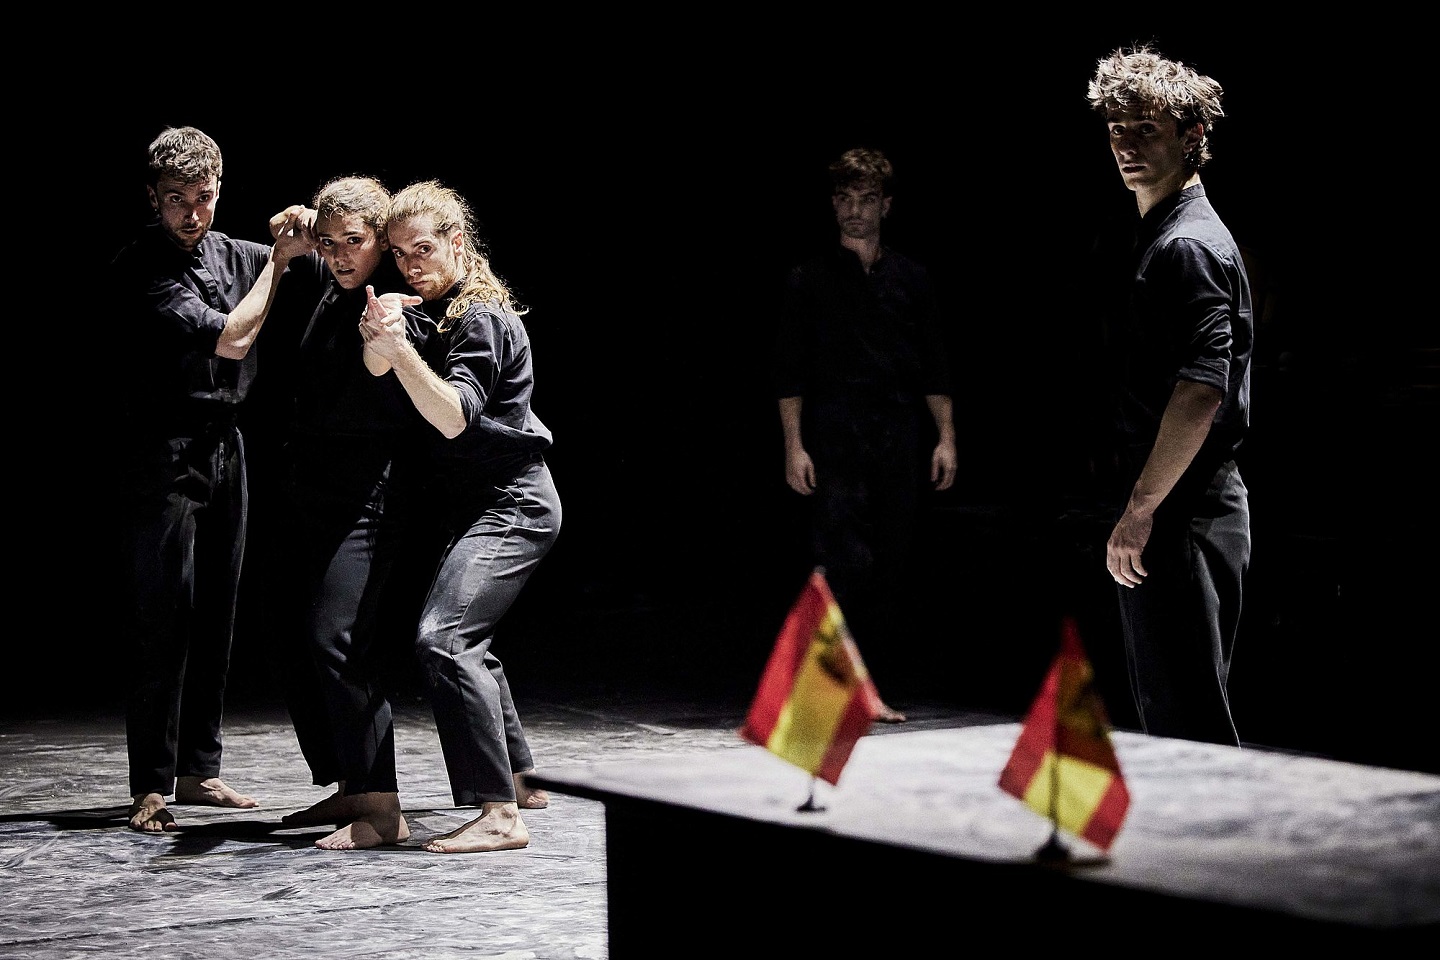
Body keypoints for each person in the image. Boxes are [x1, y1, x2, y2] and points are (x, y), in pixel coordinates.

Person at [110, 125, 311, 832]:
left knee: (219, 611)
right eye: (176, 199)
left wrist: (305, 227)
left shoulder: (235, 253)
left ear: (219, 190)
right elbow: (233, 336)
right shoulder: (141, 266)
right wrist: (278, 263)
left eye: (202, 197)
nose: (191, 213)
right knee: (163, 614)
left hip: (227, 445)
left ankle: (199, 768)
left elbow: (312, 254)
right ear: (152, 198)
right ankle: (151, 783)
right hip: (162, 452)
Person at [359, 179, 560, 853]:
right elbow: (376, 366)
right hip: (484, 504)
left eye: (423, 249)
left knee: (444, 640)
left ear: (457, 241)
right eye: (398, 253)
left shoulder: (482, 319)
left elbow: (451, 417)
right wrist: (382, 329)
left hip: (515, 501)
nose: (410, 264)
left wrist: (396, 349)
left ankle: (500, 814)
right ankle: (521, 779)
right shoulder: (439, 311)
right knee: (467, 640)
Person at [1084, 45, 1253, 746]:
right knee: (1178, 720)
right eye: (1116, 129)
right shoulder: (1163, 236)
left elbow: (1202, 390)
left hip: (1182, 508)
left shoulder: (1186, 246)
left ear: (1192, 136)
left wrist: (1140, 510)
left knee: (1189, 731)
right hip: (1183, 504)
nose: (1126, 145)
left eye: (1146, 129)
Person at [264, 175, 430, 850]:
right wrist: (307, 225)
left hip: (367, 496)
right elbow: (296, 230)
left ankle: (383, 807)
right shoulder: (330, 287)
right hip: (312, 492)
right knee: (293, 635)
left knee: (339, 637)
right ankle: (351, 785)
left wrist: (384, 326)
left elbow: (382, 371)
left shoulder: (390, 301)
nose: (338, 254)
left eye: (353, 242)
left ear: (381, 242)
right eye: (329, 243)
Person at [771, 147, 957, 723]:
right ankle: (829, 690)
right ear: (834, 204)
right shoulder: (808, 279)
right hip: (833, 436)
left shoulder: (911, 278)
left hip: (898, 434)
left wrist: (946, 437)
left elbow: (934, 364)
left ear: (886, 205)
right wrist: (794, 445)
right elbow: (789, 370)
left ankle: (870, 689)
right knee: (841, 563)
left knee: (892, 563)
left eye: (866, 199)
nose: (855, 210)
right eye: (845, 199)